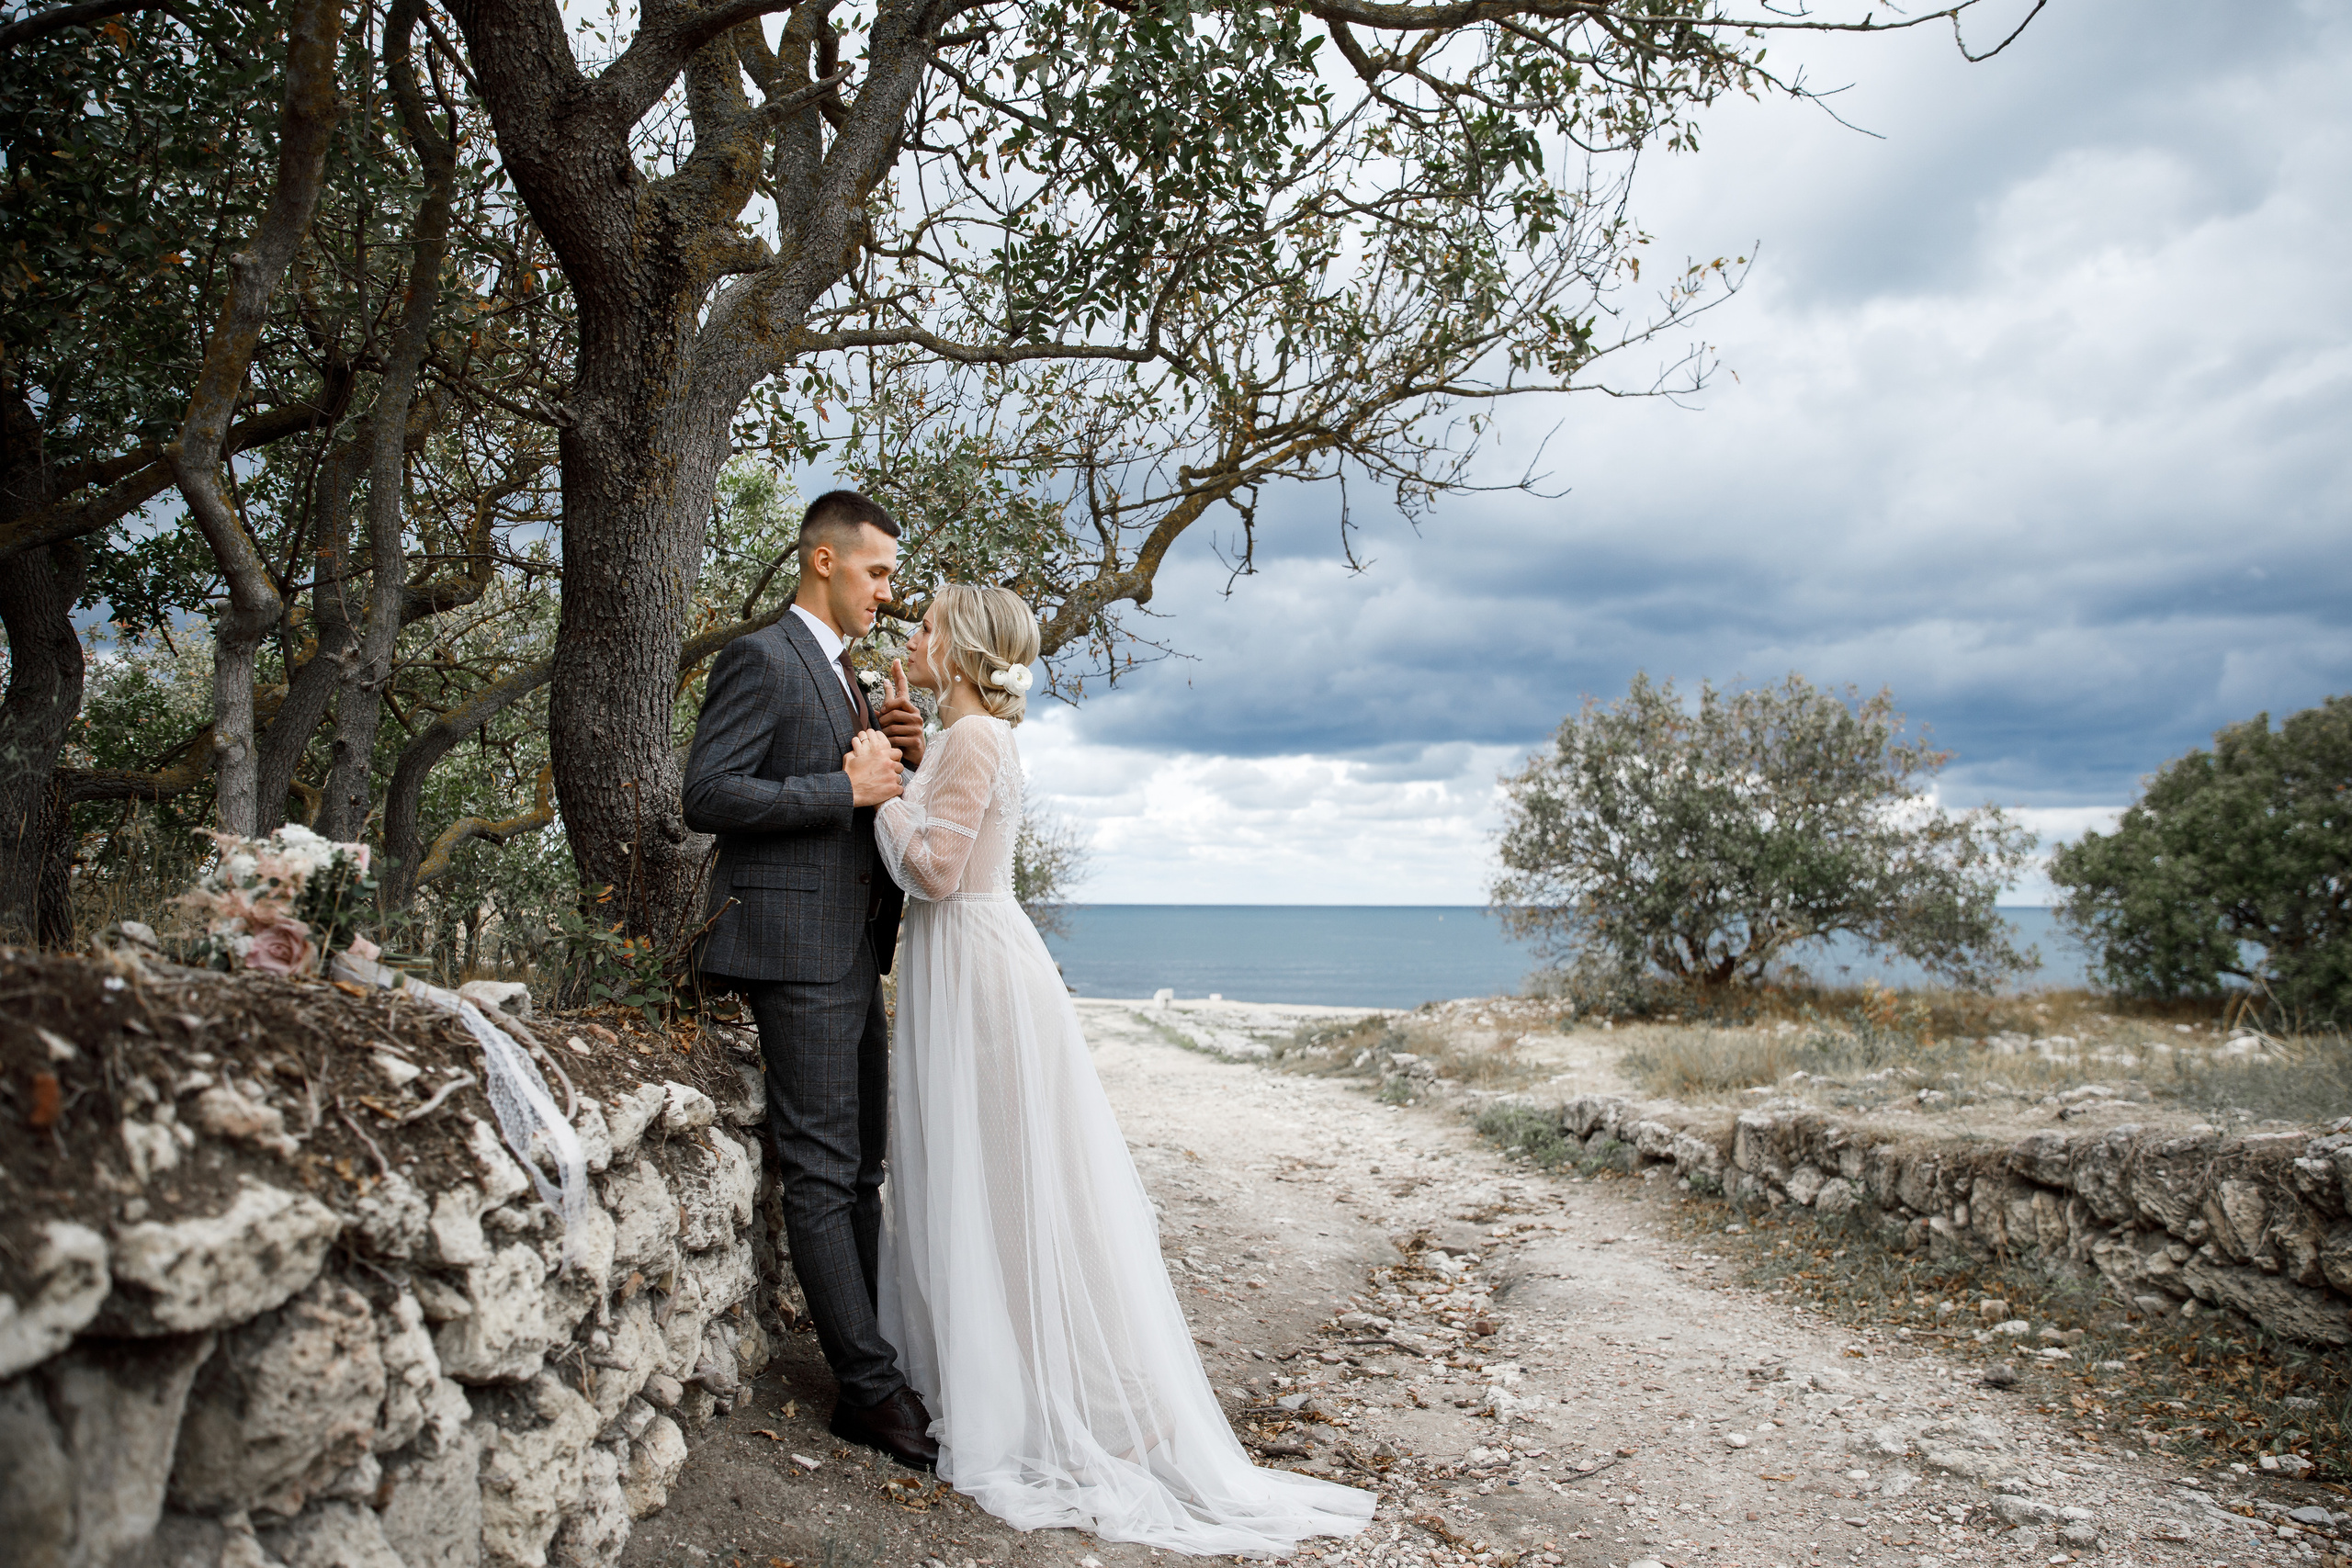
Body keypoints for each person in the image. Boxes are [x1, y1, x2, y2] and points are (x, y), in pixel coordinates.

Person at [868, 582, 1375, 1555]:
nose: (913, 636)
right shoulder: (967, 737)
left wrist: (884, 792)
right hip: (965, 963)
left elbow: (934, 871)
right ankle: (1019, 1381)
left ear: (966, 651)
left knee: (1000, 1182)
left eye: (927, 627)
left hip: (975, 973)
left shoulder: (976, 739)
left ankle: (1044, 1400)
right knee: (998, 1181)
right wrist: (911, 759)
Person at [680, 489, 940, 1471]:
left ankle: (878, 1363)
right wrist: (845, 788)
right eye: (877, 573)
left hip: (850, 947)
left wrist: (898, 763)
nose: (887, 592)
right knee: (827, 1176)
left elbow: (864, 796)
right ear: (823, 561)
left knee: (861, 1170)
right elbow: (706, 792)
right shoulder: (761, 655)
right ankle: (869, 1394)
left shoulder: (847, 671)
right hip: (792, 951)